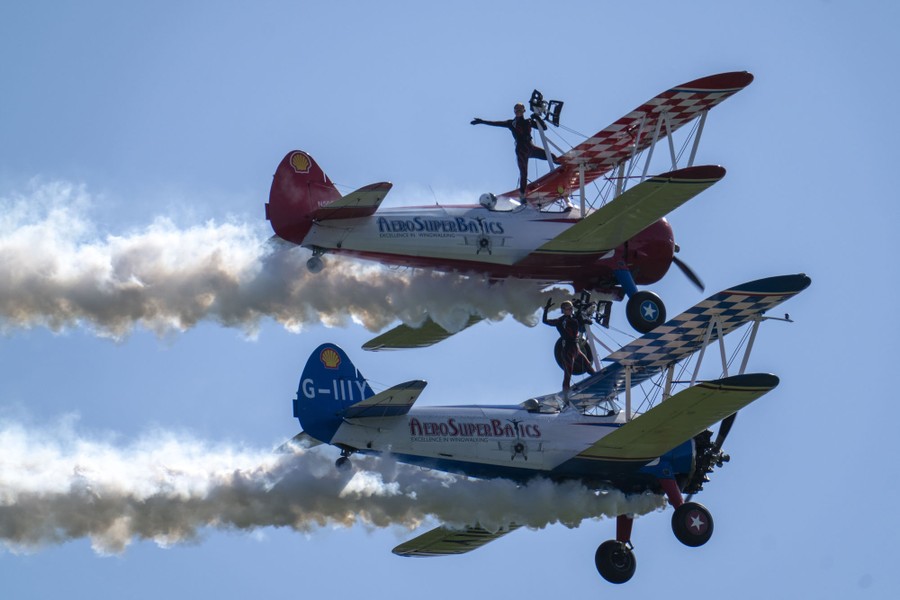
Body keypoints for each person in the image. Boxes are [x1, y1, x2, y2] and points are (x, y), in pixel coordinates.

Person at [471, 103, 553, 199]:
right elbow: (496, 123)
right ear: (514, 111)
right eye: (516, 109)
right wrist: (482, 121)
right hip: (521, 150)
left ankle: (562, 163)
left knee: (550, 156)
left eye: (520, 109)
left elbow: (544, 128)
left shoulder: (528, 121)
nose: (518, 111)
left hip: (530, 147)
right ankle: (522, 195)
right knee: (524, 173)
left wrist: (537, 118)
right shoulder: (511, 123)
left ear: (524, 110)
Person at [542, 298, 595, 392]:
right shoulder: (560, 321)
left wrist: (586, 321)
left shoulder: (574, 318)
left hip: (576, 349)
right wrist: (546, 309)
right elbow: (545, 321)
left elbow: (579, 323)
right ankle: (566, 394)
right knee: (568, 375)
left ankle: (598, 379)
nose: (570, 310)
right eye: (568, 308)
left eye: (571, 308)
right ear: (563, 310)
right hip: (568, 351)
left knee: (589, 367)